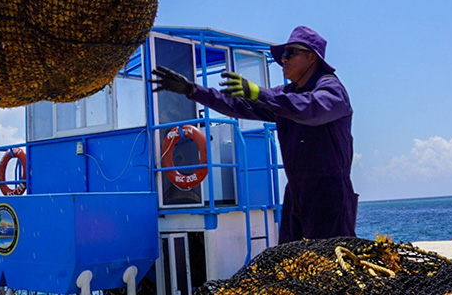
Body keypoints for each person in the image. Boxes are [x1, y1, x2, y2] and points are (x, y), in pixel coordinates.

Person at [151, 25, 357, 243]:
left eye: (289, 53)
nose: (283, 60)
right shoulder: (284, 95)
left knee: (331, 263)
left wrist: (258, 93)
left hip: (329, 194)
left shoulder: (331, 89)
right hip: (296, 191)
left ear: (311, 58)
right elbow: (238, 104)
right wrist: (192, 90)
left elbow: (311, 109)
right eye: (282, 56)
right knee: (289, 263)